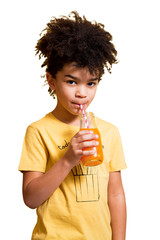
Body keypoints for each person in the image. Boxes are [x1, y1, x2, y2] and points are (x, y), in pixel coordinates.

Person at [19, 11, 127, 240]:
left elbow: (115, 194)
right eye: (71, 81)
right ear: (52, 81)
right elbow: (31, 198)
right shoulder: (38, 131)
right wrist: (68, 159)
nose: (82, 93)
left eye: (91, 83)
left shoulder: (109, 132)